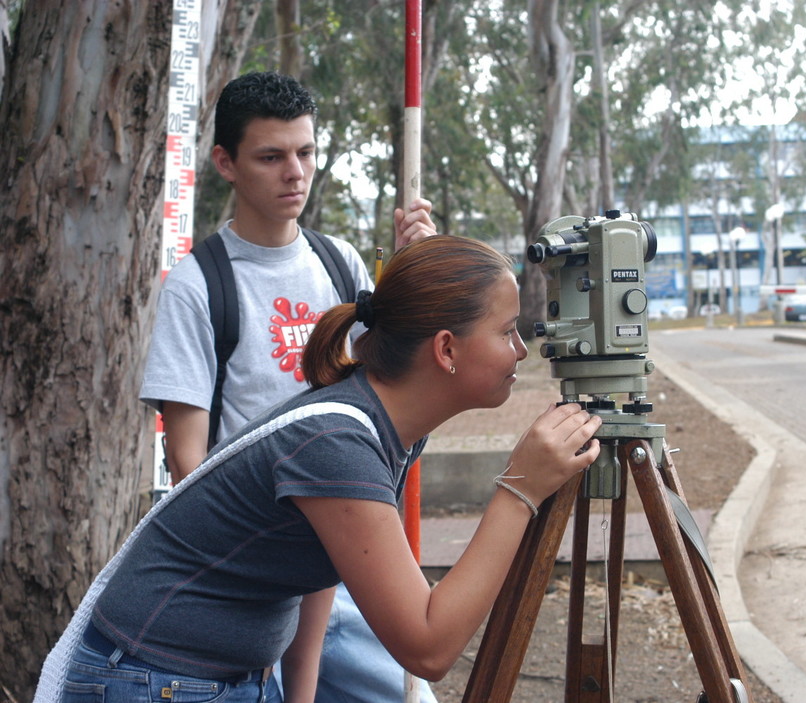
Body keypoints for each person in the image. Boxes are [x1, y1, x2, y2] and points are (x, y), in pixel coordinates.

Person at [39, 235, 603, 703]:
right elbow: (427, 647)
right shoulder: (338, 441)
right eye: (507, 332)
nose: (522, 352)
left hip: (209, 676)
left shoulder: (386, 425)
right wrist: (519, 491)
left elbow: (313, 571)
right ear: (447, 350)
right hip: (149, 678)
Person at [138, 71, 437, 702]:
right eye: (271, 157)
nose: (294, 172)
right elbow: (187, 457)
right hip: (251, 577)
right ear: (226, 162)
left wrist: (419, 273)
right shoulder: (199, 286)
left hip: (344, 563)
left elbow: (392, 395)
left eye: (304, 152)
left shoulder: (342, 265)